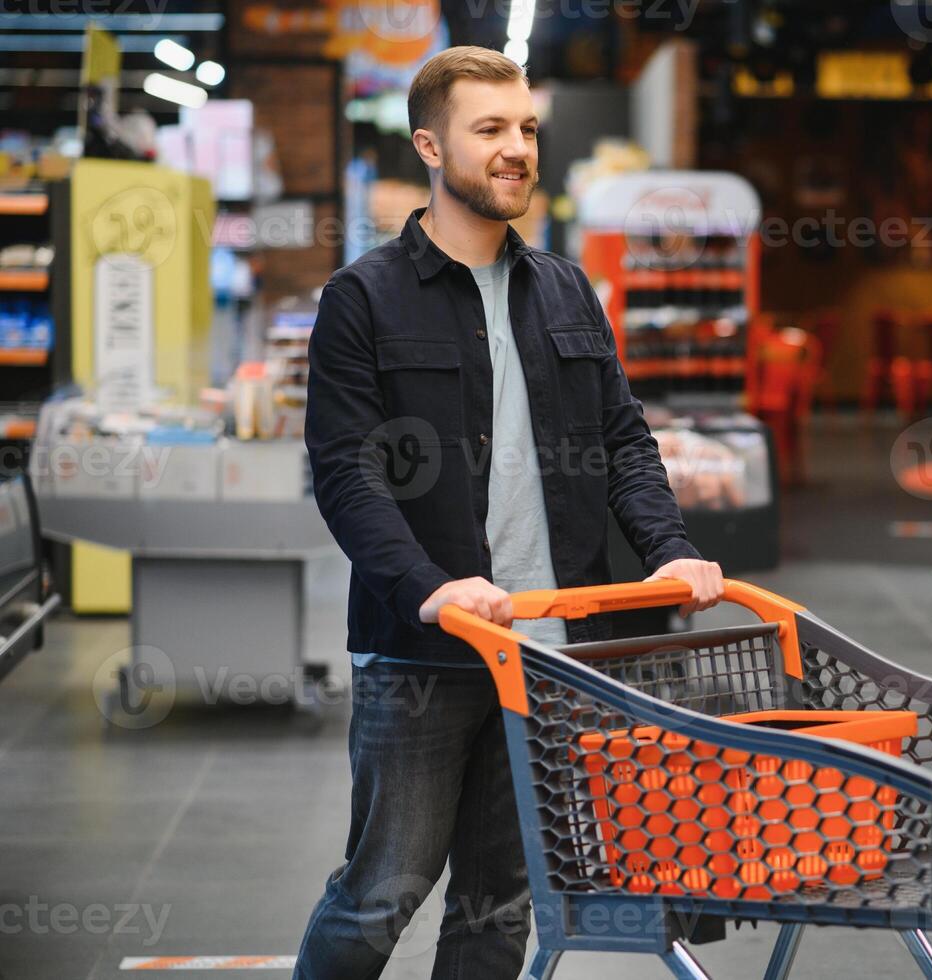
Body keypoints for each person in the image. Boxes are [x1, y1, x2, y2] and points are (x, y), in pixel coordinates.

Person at [293, 46, 724, 979]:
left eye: (525, 128)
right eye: (488, 129)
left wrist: (670, 551)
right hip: (424, 653)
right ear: (430, 146)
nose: (516, 148)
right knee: (381, 893)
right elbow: (346, 476)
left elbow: (622, 441)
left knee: (498, 906)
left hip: (548, 646)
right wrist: (432, 589)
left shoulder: (565, 290)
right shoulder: (363, 298)